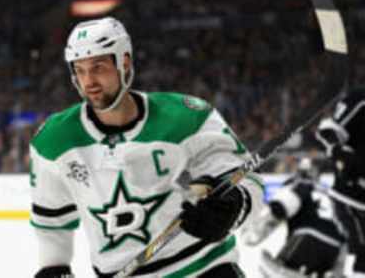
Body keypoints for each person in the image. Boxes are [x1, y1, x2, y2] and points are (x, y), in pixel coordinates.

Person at [29, 17, 264, 278]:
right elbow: (51, 222)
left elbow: (248, 180)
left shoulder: (187, 118)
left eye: (98, 67)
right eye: (80, 70)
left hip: (204, 269)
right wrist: (53, 268)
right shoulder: (54, 140)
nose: (89, 81)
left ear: (124, 62)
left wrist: (233, 207)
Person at [242, 157, 344, 278]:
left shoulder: (300, 184)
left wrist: (252, 234)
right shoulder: (330, 193)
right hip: (337, 246)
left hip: (307, 238)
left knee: (268, 269)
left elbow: (281, 207)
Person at [315, 86, 365, 278]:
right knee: (360, 253)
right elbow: (327, 131)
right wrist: (340, 154)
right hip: (350, 196)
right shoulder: (360, 100)